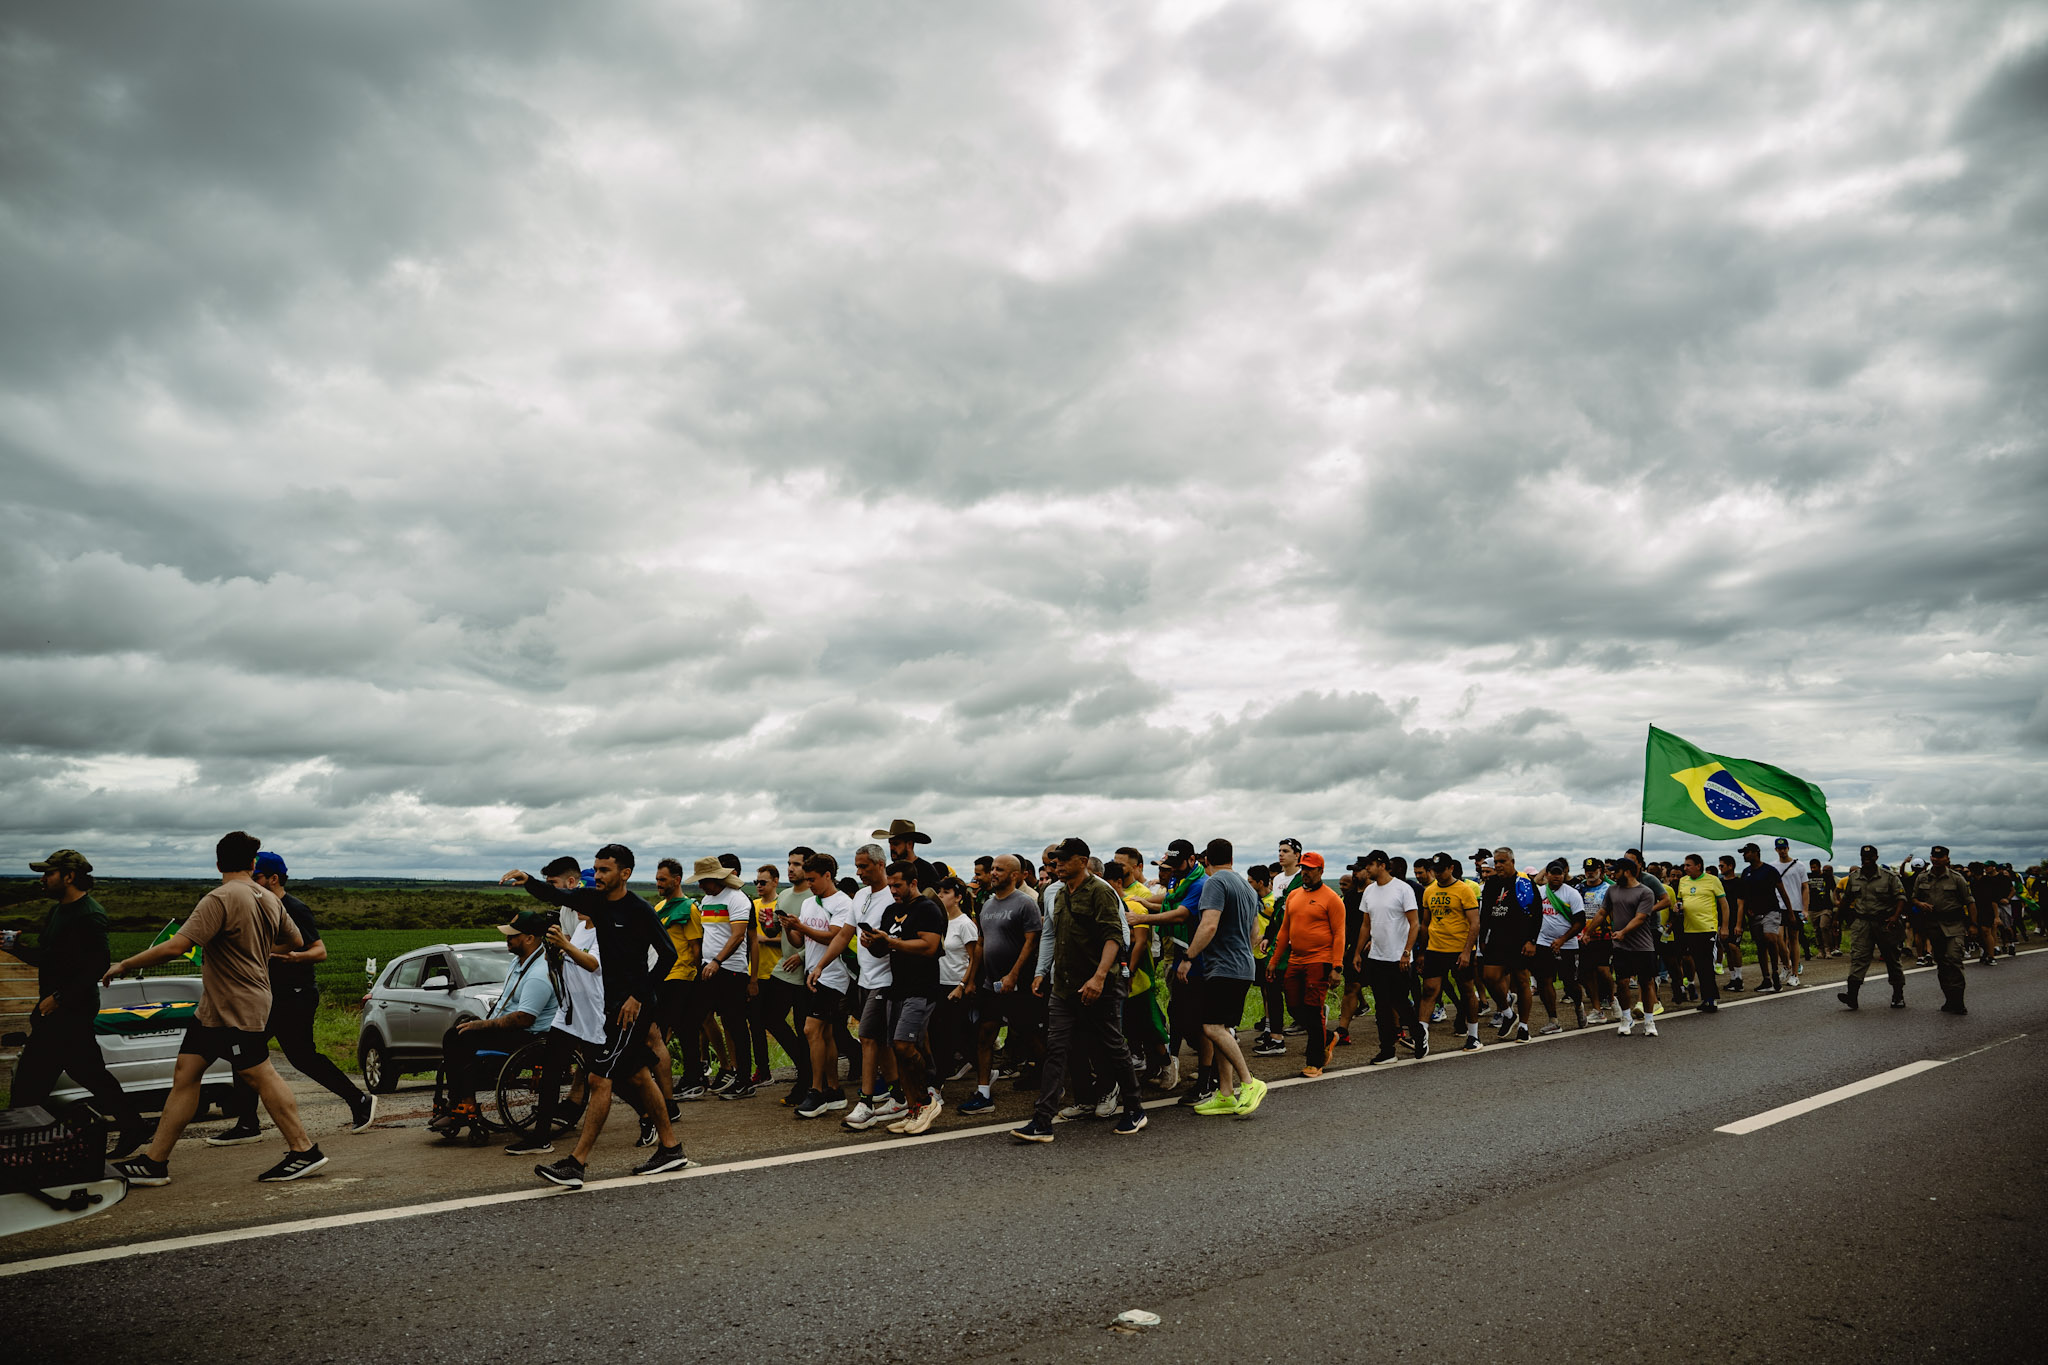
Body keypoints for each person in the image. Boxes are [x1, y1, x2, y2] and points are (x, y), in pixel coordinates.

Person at [107, 831, 326, 1186]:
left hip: (237, 1005)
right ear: (253, 864)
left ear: (218, 863)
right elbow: (296, 940)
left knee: (259, 1073)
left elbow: (177, 947)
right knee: (186, 1072)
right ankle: (154, 1161)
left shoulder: (219, 898)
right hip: (218, 1006)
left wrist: (126, 965)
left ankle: (303, 1150)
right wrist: (256, 946)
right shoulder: (269, 899)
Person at [505, 843, 690, 1187]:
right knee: (637, 1077)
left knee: (598, 1078)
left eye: (605, 870)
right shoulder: (595, 903)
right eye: (597, 869)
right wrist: (528, 879)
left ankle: (576, 1163)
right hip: (612, 1004)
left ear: (625, 874)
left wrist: (638, 996)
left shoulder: (639, 910)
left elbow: (668, 955)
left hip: (631, 1008)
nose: (598, 876)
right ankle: (671, 1148)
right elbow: (556, 894)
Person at [216, 851, 377, 1143]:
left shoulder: (294, 908)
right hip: (267, 996)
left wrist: (292, 957)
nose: (250, 883)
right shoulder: (258, 908)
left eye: (256, 877)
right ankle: (247, 1122)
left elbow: (320, 951)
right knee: (243, 1051)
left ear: (272, 878)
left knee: (300, 1057)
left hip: (295, 996)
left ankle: (359, 1100)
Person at [7, 849, 147, 1158]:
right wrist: (16, 947)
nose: (42, 879)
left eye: (48, 873)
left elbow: (98, 964)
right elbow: (46, 958)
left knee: (30, 1086)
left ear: (69, 876)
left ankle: (16, 1148)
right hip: (57, 1012)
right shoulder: (58, 911)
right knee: (86, 1074)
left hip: (71, 1011)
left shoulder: (89, 914)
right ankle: (132, 1125)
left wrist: (59, 999)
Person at [1009, 838, 1147, 1142]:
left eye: (1063, 859)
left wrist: (1098, 978)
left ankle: (1135, 1108)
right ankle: (1042, 1120)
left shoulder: (1101, 891)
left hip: (1100, 987)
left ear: (1082, 861)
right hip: (1065, 988)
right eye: (1055, 860)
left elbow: (1115, 937)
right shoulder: (1058, 893)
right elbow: (1050, 935)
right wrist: (1041, 972)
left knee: (1113, 1047)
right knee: (1056, 1049)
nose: (1056, 864)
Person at [429, 909, 560, 1136]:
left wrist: (483, 1026)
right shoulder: (518, 963)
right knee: (457, 1033)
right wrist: (481, 1022)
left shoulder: (539, 972)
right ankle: (459, 1101)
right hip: (514, 1029)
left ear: (529, 938)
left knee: (462, 1037)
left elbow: (524, 1018)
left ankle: (463, 1104)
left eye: (512, 936)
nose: (507, 939)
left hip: (530, 1036)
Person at [511, 899, 605, 1156]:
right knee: (552, 1070)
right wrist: (557, 950)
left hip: (593, 1013)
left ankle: (649, 1115)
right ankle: (541, 1136)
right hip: (568, 1011)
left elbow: (593, 964)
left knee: (611, 1077)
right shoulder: (582, 928)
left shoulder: (605, 930)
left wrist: (565, 945)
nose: (576, 908)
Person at [1180, 838, 1265, 1117]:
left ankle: (1250, 1083)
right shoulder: (1246, 887)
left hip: (1224, 968)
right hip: (1243, 965)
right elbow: (1255, 934)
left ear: (1206, 860)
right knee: (1222, 1028)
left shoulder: (1215, 883)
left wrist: (1189, 957)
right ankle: (1226, 1094)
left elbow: (1209, 924)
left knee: (1211, 1027)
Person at [868, 860, 946, 1134]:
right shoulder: (891, 911)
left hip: (921, 988)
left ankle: (927, 1100)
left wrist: (891, 942)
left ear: (913, 883)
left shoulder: (927, 908)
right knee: (897, 1050)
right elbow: (887, 949)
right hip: (897, 986)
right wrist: (875, 943)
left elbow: (929, 946)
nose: (893, 891)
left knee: (904, 1046)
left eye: (897, 885)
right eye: (889, 885)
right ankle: (913, 1108)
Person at [963, 854, 1042, 1116]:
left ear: (1015, 875)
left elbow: (1031, 943)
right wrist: (973, 979)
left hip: (1017, 985)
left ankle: (1051, 1081)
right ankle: (984, 1094)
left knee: (1030, 1035)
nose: (993, 873)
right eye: (993, 869)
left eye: (999, 869)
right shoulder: (986, 905)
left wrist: (1014, 975)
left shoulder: (1025, 904)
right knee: (984, 1036)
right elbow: (982, 943)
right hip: (991, 985)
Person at [841, 844, 907, 1132]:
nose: (859, 872)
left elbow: (896, 942)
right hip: (864, 978)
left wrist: (878, 944)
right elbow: (845, 933)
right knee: (880, 1044)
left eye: (864, 867)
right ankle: (899, 1097)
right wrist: (818, 966)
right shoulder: (860, 896)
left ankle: (866, 1103)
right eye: (857, 867)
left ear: (880, 865)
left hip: (886, 979)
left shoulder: (892, 899)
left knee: (866, 1036)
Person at [785, 853, 856, 1119]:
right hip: (812, 973)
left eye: (813, 880)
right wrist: (788, 927)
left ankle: (816, 1091)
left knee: (810, 1029)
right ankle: (834, 1090)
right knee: (825, 1034)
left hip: (833, 975)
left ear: (828, 875)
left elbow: (833, 937)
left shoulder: (843, 903)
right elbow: (799, 942)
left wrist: (800, 926)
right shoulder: (809, 903)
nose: (810, 884)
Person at [683, 855, 756, 1099]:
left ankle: (744, 1079)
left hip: (731, 970)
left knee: (735, 1025)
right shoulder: (707, 899)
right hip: (708, 967)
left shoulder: (737, 898)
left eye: (703, 880)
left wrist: (717, 961)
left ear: (716, 877)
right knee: (692, 1018)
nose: (700, 886)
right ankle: (694, 1075)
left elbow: (738, 936)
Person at [1272, 851, 1345, 1076]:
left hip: (1319, 959)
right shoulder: (1293, 895)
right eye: (1303, 868)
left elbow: (1340, 934)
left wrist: (1336, 967)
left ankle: (1315, 1061)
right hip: (1296, 959)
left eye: (1310, 869)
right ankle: (1329, 1035)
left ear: (1321, 871)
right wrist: (1274, 960)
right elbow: (1285, 930)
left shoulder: (1332, 898)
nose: (1305, 872)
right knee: (1293, 1006)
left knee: (1313, 1010)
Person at [1352, 850, 1423, 1062]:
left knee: (1400, 1002)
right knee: (1382, 1006)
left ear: (1382, 865)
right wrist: (1357, 952)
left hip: (1398, 957)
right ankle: (1387, 1049)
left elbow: (1414, 923)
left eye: (1370, 866)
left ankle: (1419, 1037)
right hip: (1376, 957)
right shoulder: (1369, 891)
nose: (1367, 870)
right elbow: (1366, 924)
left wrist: (1406, 952)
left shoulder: (1403, 889)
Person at [1417, 854, 1483, 1052]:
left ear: (1451, 868)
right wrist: (1421, 951)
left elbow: (1475, 923)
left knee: (1466, 990)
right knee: (1429, 990)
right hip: (1435, 949)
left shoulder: (1464, 890)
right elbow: (1426, 923)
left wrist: (1466, 952)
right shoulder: (1429, 891)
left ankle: (1473, 1035)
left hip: (1459, 950)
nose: (1438, 874)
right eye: (1435, 870)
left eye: (1441, 870)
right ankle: (1422, 1036)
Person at [1837, 845, 1908, 1011]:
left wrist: (1895, 917)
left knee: (1892, 958)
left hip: (1885, 923)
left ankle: (1898, 995)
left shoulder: (1888, 877)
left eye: (1869, 857)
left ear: (1876, 857)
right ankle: (1852, 996)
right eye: (1863, 857)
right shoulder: (1854, 877)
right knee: (1858, 958)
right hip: (1862, 923)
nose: (1866, 860)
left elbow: (1901, 898)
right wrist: (1837, 920)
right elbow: (1846, 900)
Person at [1478, 847, 1538, 1043]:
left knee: (1521, 982)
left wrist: (1532, 940)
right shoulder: (1492, 883)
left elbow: (1537, 914)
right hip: (1496, 939)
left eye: (1502, 861)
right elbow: (1485, 913)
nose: (1498, 865)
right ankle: (1508, 1013)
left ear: (1512, 862)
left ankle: (1524, 1026)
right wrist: (1482, 939)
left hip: (1519, 940)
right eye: (1496, 862)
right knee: (1489, 977)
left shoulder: (1525, 883)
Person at [931, 875, 981, 1095]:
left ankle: (937, 1086)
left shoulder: (965, 924)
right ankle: (982, 1068)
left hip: (955, 984)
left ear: (958, 897)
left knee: (948, 1036)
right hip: (938, 983)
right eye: (939, 893)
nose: (941, 896)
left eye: (946, 893)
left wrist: (963, 984)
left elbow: (974, 958)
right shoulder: (940, 921)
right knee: (945, 1034)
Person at [1602, 858, 1660, 1037]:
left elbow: (1641, 917)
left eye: (1616, 871)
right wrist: (1587, 932)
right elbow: (1602, 912)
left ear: (1626, 871)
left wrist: (1623, 932)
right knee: (1622, 982)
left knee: (1646, 982)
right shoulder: (1612, 890)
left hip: (1643, 946)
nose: (1612, 874)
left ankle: (1649, 1021)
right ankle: (1626, 1018)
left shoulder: (1645, 892)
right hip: (1621, 946)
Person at [1912, 846, 1973, 1014]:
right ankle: (1949, 999)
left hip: (1954, 924)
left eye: (1941, 857)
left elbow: (1969, 901)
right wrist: (1920, 904)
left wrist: (1973, 925)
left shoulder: (1956, 878)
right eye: (1934, 856)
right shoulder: (1923, 878)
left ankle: (1958, 1001)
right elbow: (1914, 897)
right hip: (1933, 925)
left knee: (1954, 959)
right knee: (1942, 964)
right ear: (1930, 858)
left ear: (1947, 859)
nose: (1937, 859)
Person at [1532, 858, 1585, 1033]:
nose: (1556, 877)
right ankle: (1553, 1019)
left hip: (1567, 944)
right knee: (1544, 981)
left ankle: (1578, 1005)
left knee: (1570, 983)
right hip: (1543, 942)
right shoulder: (1540, 892)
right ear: (1546, 875)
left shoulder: (1572, 894)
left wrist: (1562, 940)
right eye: (1552, 873)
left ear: (1564, 875)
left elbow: (1580, 922)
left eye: (1559, 874)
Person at [1672, 854, 1728, 1015]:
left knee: (1706, 964)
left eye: (1688, 865)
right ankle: (1707, 997)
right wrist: (1677, 907)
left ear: (1698, 865)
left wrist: (1724, 927)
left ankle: (1711, 999)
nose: (1685, 868)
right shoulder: (1684, 881)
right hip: (1689, 928)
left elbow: (1724, 905)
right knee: (1698, 963)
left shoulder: (1712, 880)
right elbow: (1680, 901)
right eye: (1684, 865)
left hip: (1707, 927)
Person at [1737, 842, 1796, 992]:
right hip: (1754, 914)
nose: (1744, 855)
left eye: (1746, 852)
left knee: (1770, 937)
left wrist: (1790, 913)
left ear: (1755, 852)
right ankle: (1766, 979)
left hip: (1771, 910)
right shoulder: (1745, 873)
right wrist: (1744, 914)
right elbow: (1743, 897)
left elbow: (1782, 892)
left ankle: (1775, 971)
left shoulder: (1770, 870)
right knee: (1760, 946)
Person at [1576, 859, 1615, 1024]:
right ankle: (1597, 1009)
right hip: (1583, 936)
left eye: (1593, 869)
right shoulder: (1579, 888)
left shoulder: (1609, 889)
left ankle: (1613, 999)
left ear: (1600, 870)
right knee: (1587, 972)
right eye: (1587, 870)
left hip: (1603, 935)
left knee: (1603, 971)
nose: (1589, 873)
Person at [1773, 838, 1810, 985]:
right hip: (1778, 906)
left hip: (1795, 907)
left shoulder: (1799, 866)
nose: (1782, 851)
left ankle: (1795, 973)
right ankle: (1786, 966)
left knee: (1794, 939)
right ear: (1776, 850)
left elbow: (1805, 887)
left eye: (1784, 848)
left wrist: (1805, 908)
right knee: (1777, 938)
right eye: (1779, 848)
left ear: (1788, 848)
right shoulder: (1773, 866)